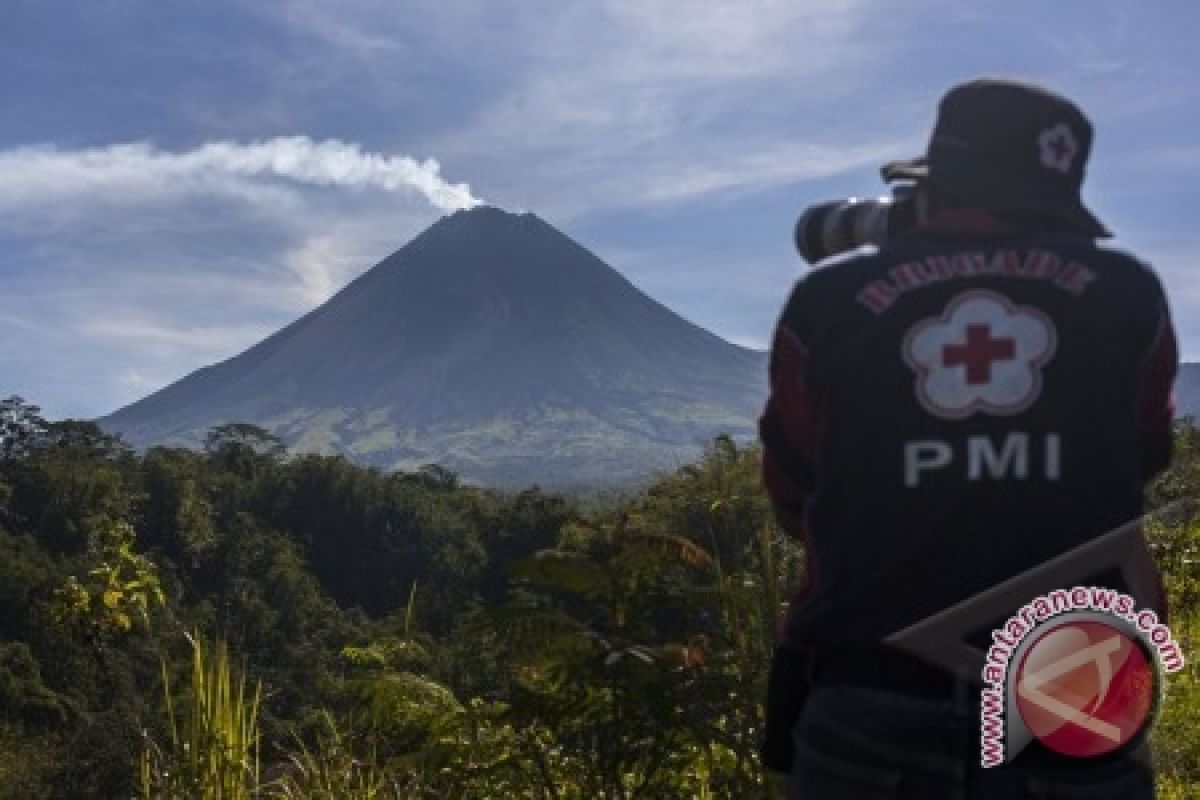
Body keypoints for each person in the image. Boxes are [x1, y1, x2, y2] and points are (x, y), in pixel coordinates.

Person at [758, 77, 1178, 799]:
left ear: (936, 185)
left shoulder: (826, 302)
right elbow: (1139, 459)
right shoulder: (1127, 293)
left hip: (871, 692)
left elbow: (794, 486)